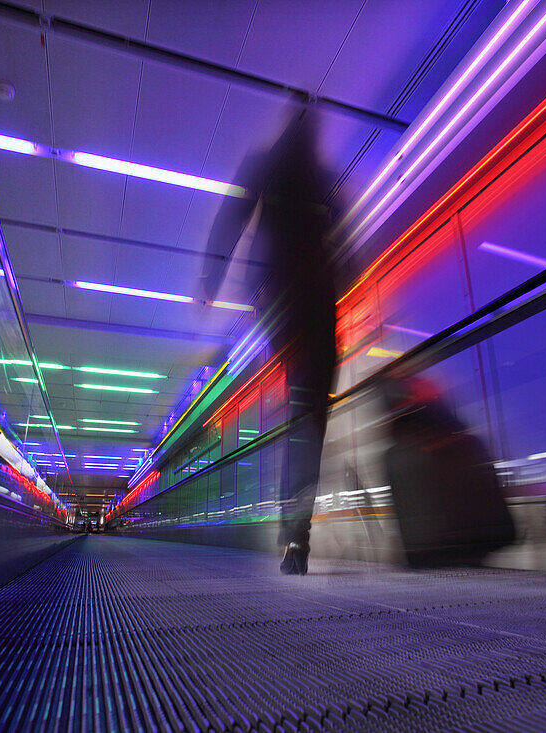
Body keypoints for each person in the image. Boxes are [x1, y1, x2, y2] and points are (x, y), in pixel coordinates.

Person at [200, 111, 338, 575]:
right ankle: (297, 535)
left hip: (280, 299)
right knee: (310, 417)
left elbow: (230, 219)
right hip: (314, 305)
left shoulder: (265, 163)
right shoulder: (321, 176)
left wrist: (210, 279)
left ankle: (294, 534)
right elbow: (341, 240)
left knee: (304, 412)